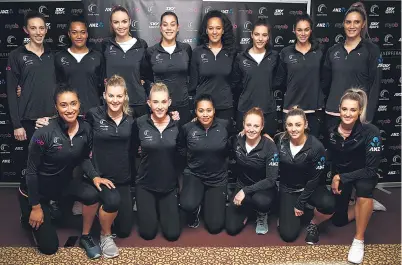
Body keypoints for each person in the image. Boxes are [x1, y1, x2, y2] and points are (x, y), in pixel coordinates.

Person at [19, 85, 101, 256]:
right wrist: (35, 207)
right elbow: (32, 171)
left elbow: (83, 157)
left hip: (61, 186)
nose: (69, 109)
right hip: (36, 192)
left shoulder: (86, 129)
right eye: (63, 105)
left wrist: (94, 177)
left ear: (79, 104)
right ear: (56, 107)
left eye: (73, 104)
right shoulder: (43, 134)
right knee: (49, 248)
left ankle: (85, 236)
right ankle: (27, 214)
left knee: (92, 194)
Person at [329, 88, 382, 264]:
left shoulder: (371, 132)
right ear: (339, 109)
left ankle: (359, 240)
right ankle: (368, 207)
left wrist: (341, 178)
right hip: (344, 176)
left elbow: (371, 170)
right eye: (344, 109)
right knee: (338, 220)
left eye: (353, 110)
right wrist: (335, 177)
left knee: (364, 190)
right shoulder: (332, 131)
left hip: (363, 175)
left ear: (360, 111)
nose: (348, 113)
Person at [275, 107, 335, 244]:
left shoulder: (316, 147)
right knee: (288, 235)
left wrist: (300, 202)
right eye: (290, 125)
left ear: (306, 125)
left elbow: (315, 179)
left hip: (311, 187)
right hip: (288, 188)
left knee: (328, 204)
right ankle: (286, 214)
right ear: (285, 126)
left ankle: (313, 223)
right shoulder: (280, 141)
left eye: (298, 124)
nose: (293, 129)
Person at [131, 83, 181, 241]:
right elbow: (132, 151)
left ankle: (163, 209)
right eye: (156, 102)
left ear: (169, 102)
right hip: (146, 185)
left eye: (163, 102)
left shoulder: (177, 124)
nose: (160, 106)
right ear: (149, 103)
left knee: (172, 235)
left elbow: (182, 155)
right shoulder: (139, 123)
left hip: (168, 186)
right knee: (148, 234)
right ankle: (149, 209)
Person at [322, 2, 381, 130]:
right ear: (343, 24)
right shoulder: (333, 50)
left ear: (363, 24)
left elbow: (375, 85)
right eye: (348, 22)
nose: (352, 26)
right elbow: (325, 84)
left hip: (358, 116)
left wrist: (367, 117)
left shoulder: (371, 50)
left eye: (356, 22)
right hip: (333, 113)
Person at [179, 94, 230, 234]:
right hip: (195, 175)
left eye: (208, 110)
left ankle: (208, 202)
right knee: (187, 204)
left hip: (217, 178)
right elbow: (181, 150)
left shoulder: (225, 125)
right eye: (201, 111)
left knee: (215, 227)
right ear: (196, 112)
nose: (205, 114)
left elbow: (230, 148)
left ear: (214, 110)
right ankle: (195, 208)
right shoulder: (187, 128)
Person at [225, 107, 278, 236]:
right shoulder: (237, 140)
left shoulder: (270, 146)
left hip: (263, 188)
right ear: (243, 125)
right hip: (242, 184)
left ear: (262, 127)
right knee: (231, 229)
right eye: (248, 125)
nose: (252, 129)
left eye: (256, 126)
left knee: (261, 201)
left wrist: (245, 191)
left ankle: (262, 213)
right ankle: (248, 210)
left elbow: (271, 179)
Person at [274, 14, 325, 137]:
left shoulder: (320, 51)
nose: (303, 33)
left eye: (306, 29)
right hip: (291, 108)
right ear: (294, 30)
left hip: (313, 109)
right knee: (289, 148)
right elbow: (280, 80)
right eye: (299, 30)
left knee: (312, 147)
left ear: (311, 30)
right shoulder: (286, 52)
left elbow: (324, 79)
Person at [231, 19, 279, 137]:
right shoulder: (240, 57)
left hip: (268, 111)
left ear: (268, 37)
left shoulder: (274, 57)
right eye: (257, 34)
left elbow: (278, 81)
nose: (260, 38)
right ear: (251, 34)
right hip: (245, 110)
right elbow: (235, 84)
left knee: (268, 147)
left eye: (264, 35)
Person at [102, 6, 151, 118]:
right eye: (116, 22)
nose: (120, 26)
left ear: (129, 22)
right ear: (111, 24)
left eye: (124, 21)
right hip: (114, 104)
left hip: (138, 103)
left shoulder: (141, 45)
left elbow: (147, 74)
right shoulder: (106, 45)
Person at [146, 12, 192, 126]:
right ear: (160, 28)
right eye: (165, 25)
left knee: (183, 141)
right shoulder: (151, 52)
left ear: (177, 28)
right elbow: (146, 79)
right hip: (160, 107)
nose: (169, 28)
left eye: (172, 24)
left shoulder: (186, 49)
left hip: (183, 105)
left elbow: (192, 76)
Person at [189, 10, 235, 124]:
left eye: (218, 28)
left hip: (225, 107)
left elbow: (235, 82)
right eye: (211, 28)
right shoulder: (197, 52)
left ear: (223, 30)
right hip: (203, 109)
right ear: (206, 30)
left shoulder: (231, 53)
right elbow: (193, 85)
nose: (214, 32)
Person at [54, 16, 104, 114]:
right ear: (69, 34)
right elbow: (55, 85)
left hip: (93, 112)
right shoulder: (59, 57)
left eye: (82, 32)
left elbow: (103, 85)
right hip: (69, 113)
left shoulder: (97, 56)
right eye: (74, 32)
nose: (79, 36)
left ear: (87, 34)